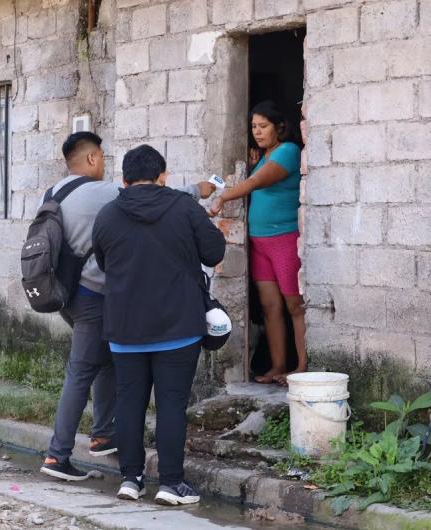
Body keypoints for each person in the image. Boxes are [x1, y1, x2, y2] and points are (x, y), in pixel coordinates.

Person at [40, 133, 215, 482]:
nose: (104, 164)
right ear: (91, 159)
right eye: (102, 157)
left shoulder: (54, 192)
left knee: (108, 361)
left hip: (69, 293)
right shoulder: (103, 194)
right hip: (94, 295)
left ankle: (105, 437)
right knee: (82, 370)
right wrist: (201, 188)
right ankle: (57, 456)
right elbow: (154, 196)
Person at [92, 145, 225, 505]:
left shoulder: (107, 215)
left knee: (129, 402)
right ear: (163, 176)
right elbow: (214, 252)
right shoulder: (184, 207)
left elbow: (104, 263)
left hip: (124, 327)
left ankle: (130, 480)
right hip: (178, 327)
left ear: (123, 179)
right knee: (170, 405)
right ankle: (171, 483)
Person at [209, 100, 305, 386]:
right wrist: (252, 164)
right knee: (269, 307)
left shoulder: (288, 152)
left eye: (263, 126)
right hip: (259, 241)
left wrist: (224, 196)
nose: (257, 132)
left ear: (279, 127)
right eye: (253, 127)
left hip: (284, 238)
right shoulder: (264, 156)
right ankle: (278, 366)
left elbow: (256, 184)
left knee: (294, 305)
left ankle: (301, 367)